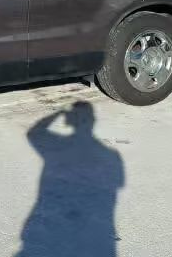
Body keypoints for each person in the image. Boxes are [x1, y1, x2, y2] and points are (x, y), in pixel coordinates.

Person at [18, 102, 124, 257]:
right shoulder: (112, 155)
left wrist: (58, 113)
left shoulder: (58, 146)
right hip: (99, 232)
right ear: (92, 121)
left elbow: (33, 133)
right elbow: (117, 183)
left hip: (56, 226)